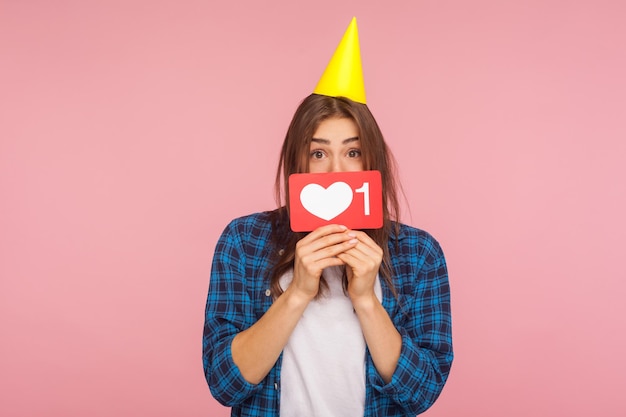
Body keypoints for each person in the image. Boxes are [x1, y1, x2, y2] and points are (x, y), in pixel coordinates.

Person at [203, 18, 453, 417]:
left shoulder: (419, 254)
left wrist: (366, 300)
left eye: (352, 152)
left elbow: (420, 395)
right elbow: (224, 382)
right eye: (318, 153)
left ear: (372, 160)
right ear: (297, 162)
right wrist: (298, 291)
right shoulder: (244, 240)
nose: (336, 168)